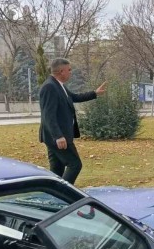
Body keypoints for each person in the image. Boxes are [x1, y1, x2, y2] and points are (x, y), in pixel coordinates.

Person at [37, 57, 105, 185]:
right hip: (58, 138)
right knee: (75, 165)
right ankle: (65, 193)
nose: (71, 72)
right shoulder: (50, 87)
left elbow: (74, 97)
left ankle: (55, 196)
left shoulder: (59, 86)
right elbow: (48, 115)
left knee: (57, 170)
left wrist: (94, 93)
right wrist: (58, 136)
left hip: (56, 137)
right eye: (69, 70)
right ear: (61, 71)